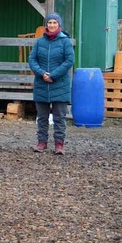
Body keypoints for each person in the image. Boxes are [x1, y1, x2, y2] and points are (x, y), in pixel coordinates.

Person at [28, 13, 74, 155]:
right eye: (49, 22)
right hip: (42, 84)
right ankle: (42, 142)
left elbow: (69, 60)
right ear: (46, 25)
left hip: (59, 85)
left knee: (59, 117)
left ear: (59, 25)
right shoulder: (40, 42)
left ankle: (59, 144)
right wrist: (42, 73)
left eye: (54, 22)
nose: (52, 25)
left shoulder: (65, 42)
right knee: (42, 117)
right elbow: (32, 59)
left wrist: (53, 75)